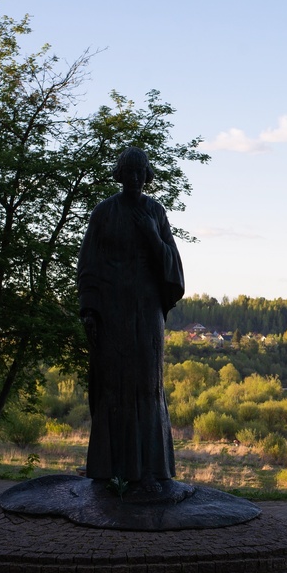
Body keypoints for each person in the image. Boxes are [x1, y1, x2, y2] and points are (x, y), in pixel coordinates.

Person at [77, 147, 184, 493]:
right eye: (130, 172)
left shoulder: (155, 211)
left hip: (147, 314)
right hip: (111, 314)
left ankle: (152, 470)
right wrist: (90, 311)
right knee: (113, 387)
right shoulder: (104, 213)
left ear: (147, 175)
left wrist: (154, 236)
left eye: (141, 172)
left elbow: (176, 270)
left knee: (147, 385)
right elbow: (88, 266)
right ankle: (109, 470)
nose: (136, 178)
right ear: (120, 174)